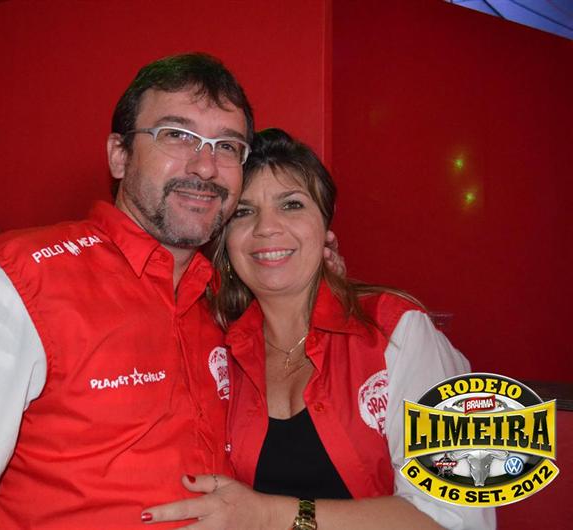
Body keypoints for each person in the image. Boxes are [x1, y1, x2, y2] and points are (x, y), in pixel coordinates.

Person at [0, 56, 342, 529]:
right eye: (176, 135)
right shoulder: (12, 285)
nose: (206, 167)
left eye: (227, 146)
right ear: (119, 155)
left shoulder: (224, 301)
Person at [142, 129, 495, 529]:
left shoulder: (401, 332)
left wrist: (270, 515)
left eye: (291, 204)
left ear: (325, 228)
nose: (266, 228)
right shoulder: (221, 354)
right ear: (225, 243)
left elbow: (458, 516)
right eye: (243, 212)